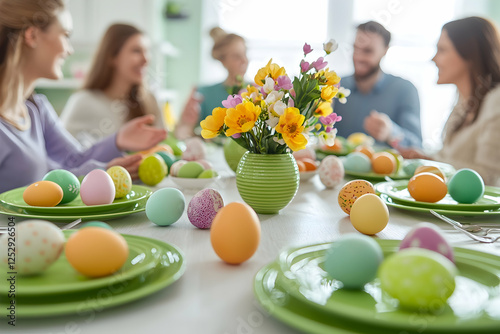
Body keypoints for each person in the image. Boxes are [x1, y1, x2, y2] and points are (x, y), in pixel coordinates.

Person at [0, 0, 166, 193]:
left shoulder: (36, 108)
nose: (69, 50)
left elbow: (72, 161)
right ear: (32, 35)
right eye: (66, 35)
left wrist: (116, 142)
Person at [399, 17, 500, 186]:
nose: (434, 59)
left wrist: (432, 163)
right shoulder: (463, 100)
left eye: (442, 50)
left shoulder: (496, 101)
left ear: (469, 53)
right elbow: (451, 157)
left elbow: (489, 177)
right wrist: (426, 157)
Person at [60, 23, 164, 148]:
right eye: (136, 51)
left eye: (147, 51)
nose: (146, 59)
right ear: (112, 57)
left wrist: (184, 127)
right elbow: (64, 156)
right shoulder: (83, 102)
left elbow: (164, 148)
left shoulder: (150, 100)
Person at [334, 21, 422, 148]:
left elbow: (417, 147)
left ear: (385, 51)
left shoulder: (405, 90)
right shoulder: (334, 87)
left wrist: (391, 133)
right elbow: (316, 137)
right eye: (355, 49)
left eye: (368, 51)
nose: (358, 57)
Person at [175, 27, 248, 139]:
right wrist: (185, 123)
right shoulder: (204, 93)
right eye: (236, 56)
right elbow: (182, 133)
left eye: (245, 54)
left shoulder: (257, 92)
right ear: (223, 61)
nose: (244, 61)